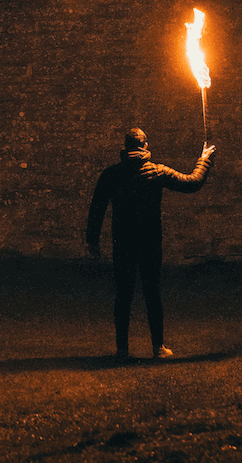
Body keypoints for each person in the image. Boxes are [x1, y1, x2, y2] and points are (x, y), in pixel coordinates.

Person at [86, 127, 216, 361]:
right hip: (150, 242)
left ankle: (122, 350)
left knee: (123, 294)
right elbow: (192, 182)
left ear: (126, 148)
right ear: (145, 146)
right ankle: (158, 347)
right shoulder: (157, 171)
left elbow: (96, 209)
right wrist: (204, 160)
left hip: (122, 242)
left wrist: (92, 242)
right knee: (152, 293)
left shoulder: (111, 174)